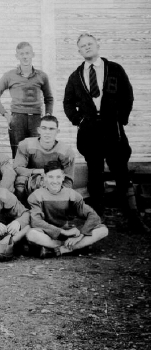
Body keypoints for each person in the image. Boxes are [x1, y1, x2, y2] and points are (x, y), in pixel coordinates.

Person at [63, 33, 149, 234]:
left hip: (113, 130)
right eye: (82, 46)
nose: (87, 47)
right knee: (94, 175)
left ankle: (134, 220)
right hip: (90, 132)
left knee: (121, 172)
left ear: (97, 45)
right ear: (79, 51)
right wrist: (79, 120)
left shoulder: (114, 69)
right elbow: (67, 102)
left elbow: (128, 95)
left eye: (90, 44)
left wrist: (121, 119)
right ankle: (97, 220)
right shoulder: (76, 76)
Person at [26, 161, 108, 258]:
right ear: (44, 177)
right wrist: (63, 232)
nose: (55, 181)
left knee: (103, 230)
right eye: (50, 177)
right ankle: (77, 247)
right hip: (48, 232)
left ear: (63, 177)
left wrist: (80, 235)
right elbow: (36, 222)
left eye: (58, 177)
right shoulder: (36, 195)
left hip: (67, 232)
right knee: (31, 234)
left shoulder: (71, 194)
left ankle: (61, 249)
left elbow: (93, 216)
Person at [0, 42, 54, 158]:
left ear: (33, 55)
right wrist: (6, 115)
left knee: (37, 155)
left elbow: (49, 98)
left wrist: (47, 117)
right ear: (17, 56)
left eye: (27, 53)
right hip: (17, 119)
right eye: (21, 54)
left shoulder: (42, 76)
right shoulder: (9, 76)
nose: (25, 56)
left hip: (36, 119)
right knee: (18, 156)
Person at [13, 115, 75, 204]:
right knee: (20, 182)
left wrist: (58, 195)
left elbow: (68, 179)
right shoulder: (26, 144)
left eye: (51, 129)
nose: (47, 132)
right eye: (44, 128)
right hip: (32, 180)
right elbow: (17, 168)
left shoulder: (66, 151)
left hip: (54, 181)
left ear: (57, 131)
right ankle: (23, 209)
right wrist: (39, 171)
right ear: (39, 130)